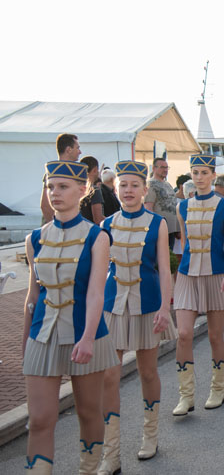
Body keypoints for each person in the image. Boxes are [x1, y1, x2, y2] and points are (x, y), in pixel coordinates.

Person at [22, 160, 118, 473]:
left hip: (84, 333)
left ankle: (89, 469)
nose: (54, 193)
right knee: (38, 420)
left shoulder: (97, 237)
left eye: (62, 187)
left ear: (82, 190)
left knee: (89, 413)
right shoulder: (34, 239)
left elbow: (95, 293)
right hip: (43, 334)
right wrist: (25, 344)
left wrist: (89, 336)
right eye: (50, 186)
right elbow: (32, 298)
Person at [98, 161, 178, 472]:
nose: (128, 191)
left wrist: (164, 308)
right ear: (115, 189)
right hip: (113, 305)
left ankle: (150, 435)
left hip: (147, 305)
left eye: (134, 185)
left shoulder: (157, 223)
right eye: (123, 185)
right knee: (108, 376)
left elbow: (163, 268)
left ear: (144, 190)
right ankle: (111, 451)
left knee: (147, 373)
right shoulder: (105, 225)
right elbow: (97, 272)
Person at [172, 154, 224, 416]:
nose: (198, 177)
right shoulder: (183, 207)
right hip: (188, 273)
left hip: (216, 273)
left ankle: (217, 389)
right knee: (184, 334)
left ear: (213, 175)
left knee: (214, 335)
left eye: (203, 172)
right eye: (194, 172)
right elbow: (185, 240)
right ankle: (186, 395)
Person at [40, 133, 81, 223]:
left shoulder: (77, 172)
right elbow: (45, 205)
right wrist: (55, 228)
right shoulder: (53, 173)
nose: (80, 152)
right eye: (77, 148)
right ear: (69, 150)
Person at [144, 158, 180, 251]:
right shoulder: (151, 185)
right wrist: (153, 228)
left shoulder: (167, 184)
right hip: (160, 228)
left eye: (167, 167)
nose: (165, 170)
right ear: (154, 168)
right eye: (162, 167)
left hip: (171, 228)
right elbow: (148, 207)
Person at [79, 156, 105, 225]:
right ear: (95, 170)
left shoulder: (77, 188)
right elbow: (98, 219)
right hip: (91, 231)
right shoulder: (94, 190)